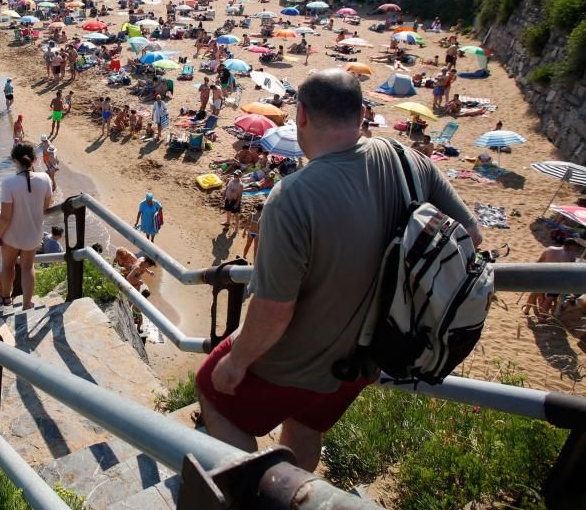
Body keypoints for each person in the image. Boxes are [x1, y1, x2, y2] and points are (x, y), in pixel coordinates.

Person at [195, 68, 481, 470]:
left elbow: (274, 310)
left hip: (296, 362)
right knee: (307, 427)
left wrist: (236, 363)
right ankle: (295, 494)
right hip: (370, 353)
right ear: (362, 112)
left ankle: (256, 493)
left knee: (211, 389)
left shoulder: (292, 196)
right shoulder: (408, 160)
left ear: (303, 117)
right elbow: (471, 235)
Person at [0, 143, 54, 310]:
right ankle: (27, 304)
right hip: (33, 233)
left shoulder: (8, 183)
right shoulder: (45, 179)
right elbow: (46, 207)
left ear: (14, 160)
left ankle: (6, 300)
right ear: (34, 159)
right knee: (28, 267)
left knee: (7, 266)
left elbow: (5, 218)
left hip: (12, 234)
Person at [523, 238, 586, 315]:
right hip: (557, 279)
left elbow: (539, 262)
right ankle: (543, 317)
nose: (575, 249)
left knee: (534, 293)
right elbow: (569, 271)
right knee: (550, 298)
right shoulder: (570, 256)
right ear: (571, 246)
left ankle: (526, 309)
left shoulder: (550, 249)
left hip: (544, 274)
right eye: (574, 247)